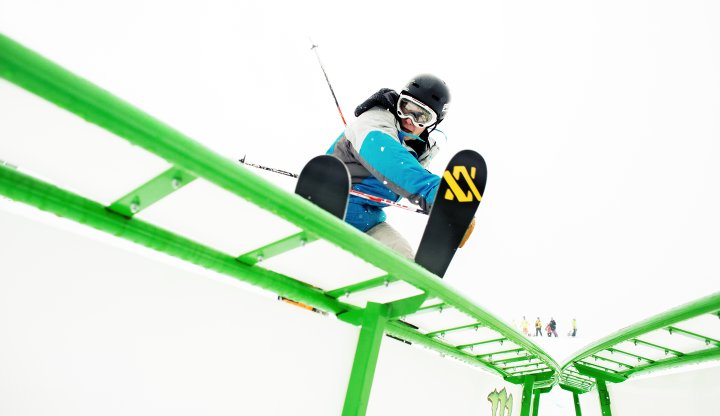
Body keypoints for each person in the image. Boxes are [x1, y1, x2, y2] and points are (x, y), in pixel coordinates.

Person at [327, 74, 451, 259]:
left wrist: (457, 214)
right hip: (330, 203)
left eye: (421, 116)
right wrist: (437, 193)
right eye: (406, 108)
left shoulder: (417, 153)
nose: (409, 119)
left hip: (364, 220)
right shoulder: (374, 121)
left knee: (402, 256)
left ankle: (406, 283)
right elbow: (390, 160)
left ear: (433, 123)